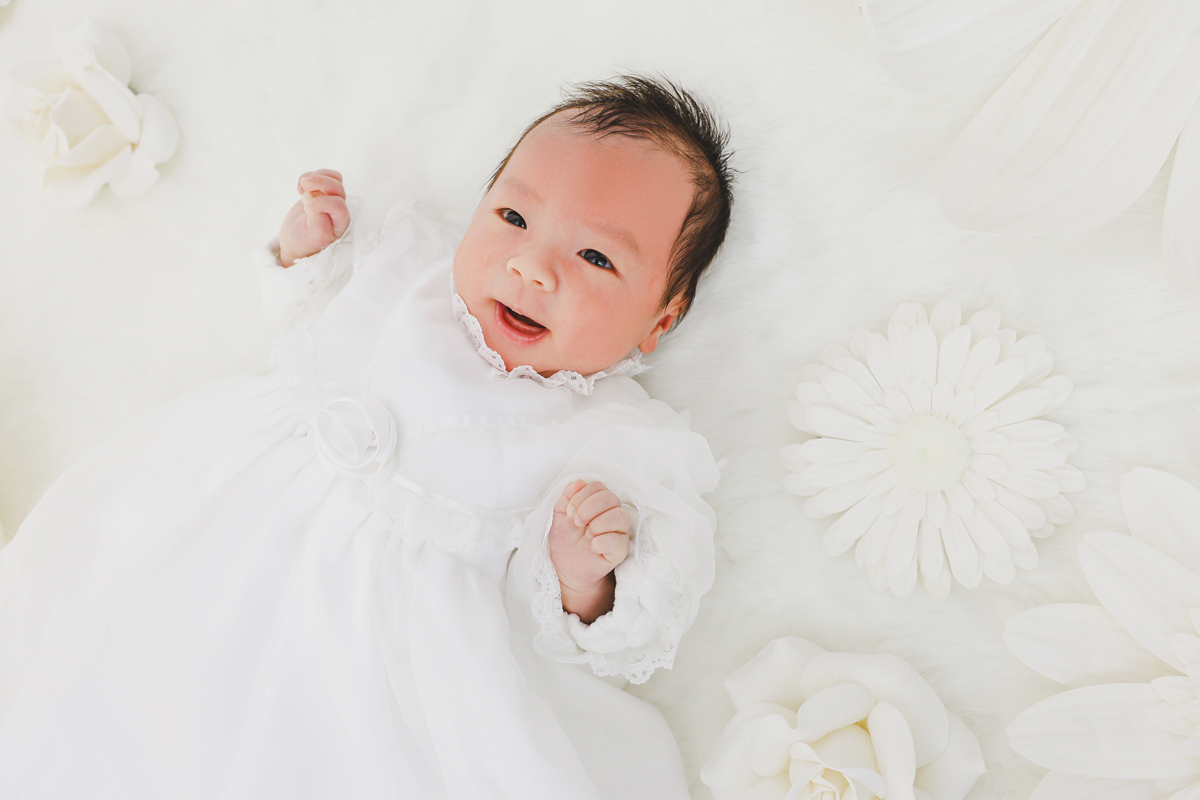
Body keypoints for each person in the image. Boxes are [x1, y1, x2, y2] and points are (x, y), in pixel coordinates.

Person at [0, 75, 734, 799]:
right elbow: (302, 318)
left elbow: (606, 629)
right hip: (230, 536)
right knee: (126, 682)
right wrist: (308, 251)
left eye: (596, 258)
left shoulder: (605, 436)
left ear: (660, 319)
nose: (531, 267)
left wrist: (583, 576)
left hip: (379, 660)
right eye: (513, 217)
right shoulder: (406, 271)